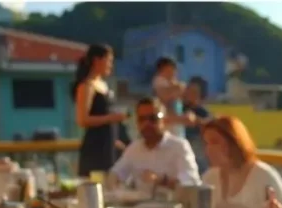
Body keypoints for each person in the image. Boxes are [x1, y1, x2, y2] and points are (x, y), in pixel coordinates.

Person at [200, 116, 282, 208]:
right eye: (206, 143)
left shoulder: (264, 176)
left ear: (234, 143)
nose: (208, 149)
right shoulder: (210, 178)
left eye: (215, 142)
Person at [108, 98, 200, 189]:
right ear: (137, 123)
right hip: (140, 202)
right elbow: (116, 173)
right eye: (142, 119)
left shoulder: (179, 146)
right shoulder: (134, 148)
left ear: (163, 120)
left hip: (172, 203)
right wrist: (112, 180)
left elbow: (191, 181)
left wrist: (162, 181)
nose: (147, 123)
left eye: (153, 118)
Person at [72, 44, 127, 178]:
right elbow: (82, 119)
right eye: (108, 61)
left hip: (109, 145)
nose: (110, 65)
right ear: (97, 60)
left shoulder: (104, 85)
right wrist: (111, 118)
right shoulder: (87, 86)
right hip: (96, 147)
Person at [151, 56, 189, 138]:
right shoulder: (159, 81)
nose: (174, 72)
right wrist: (177, 87)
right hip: (166, 123)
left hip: (176, 123)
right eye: (172, 69)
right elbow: (164, 96)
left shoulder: (172, 82)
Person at [183, 76, 212, 173]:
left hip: (198, 159)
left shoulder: (204, 114)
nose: (189, 94)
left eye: (194, 92)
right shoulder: (180, 110)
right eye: (188, 90)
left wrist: (198, 121)